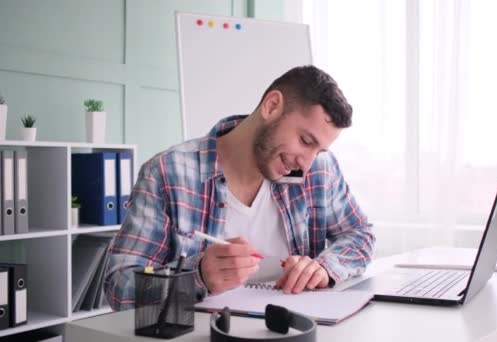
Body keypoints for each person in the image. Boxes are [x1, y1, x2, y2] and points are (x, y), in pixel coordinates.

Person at [104, 65, 375, 311]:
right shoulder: (168, 172)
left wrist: (325, 268)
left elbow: (359, 234)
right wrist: (197, 276)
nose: (306, 164)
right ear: (271, 106)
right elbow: (120, 286)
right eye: (305, 140)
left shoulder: (320, 169)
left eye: (319, 150)